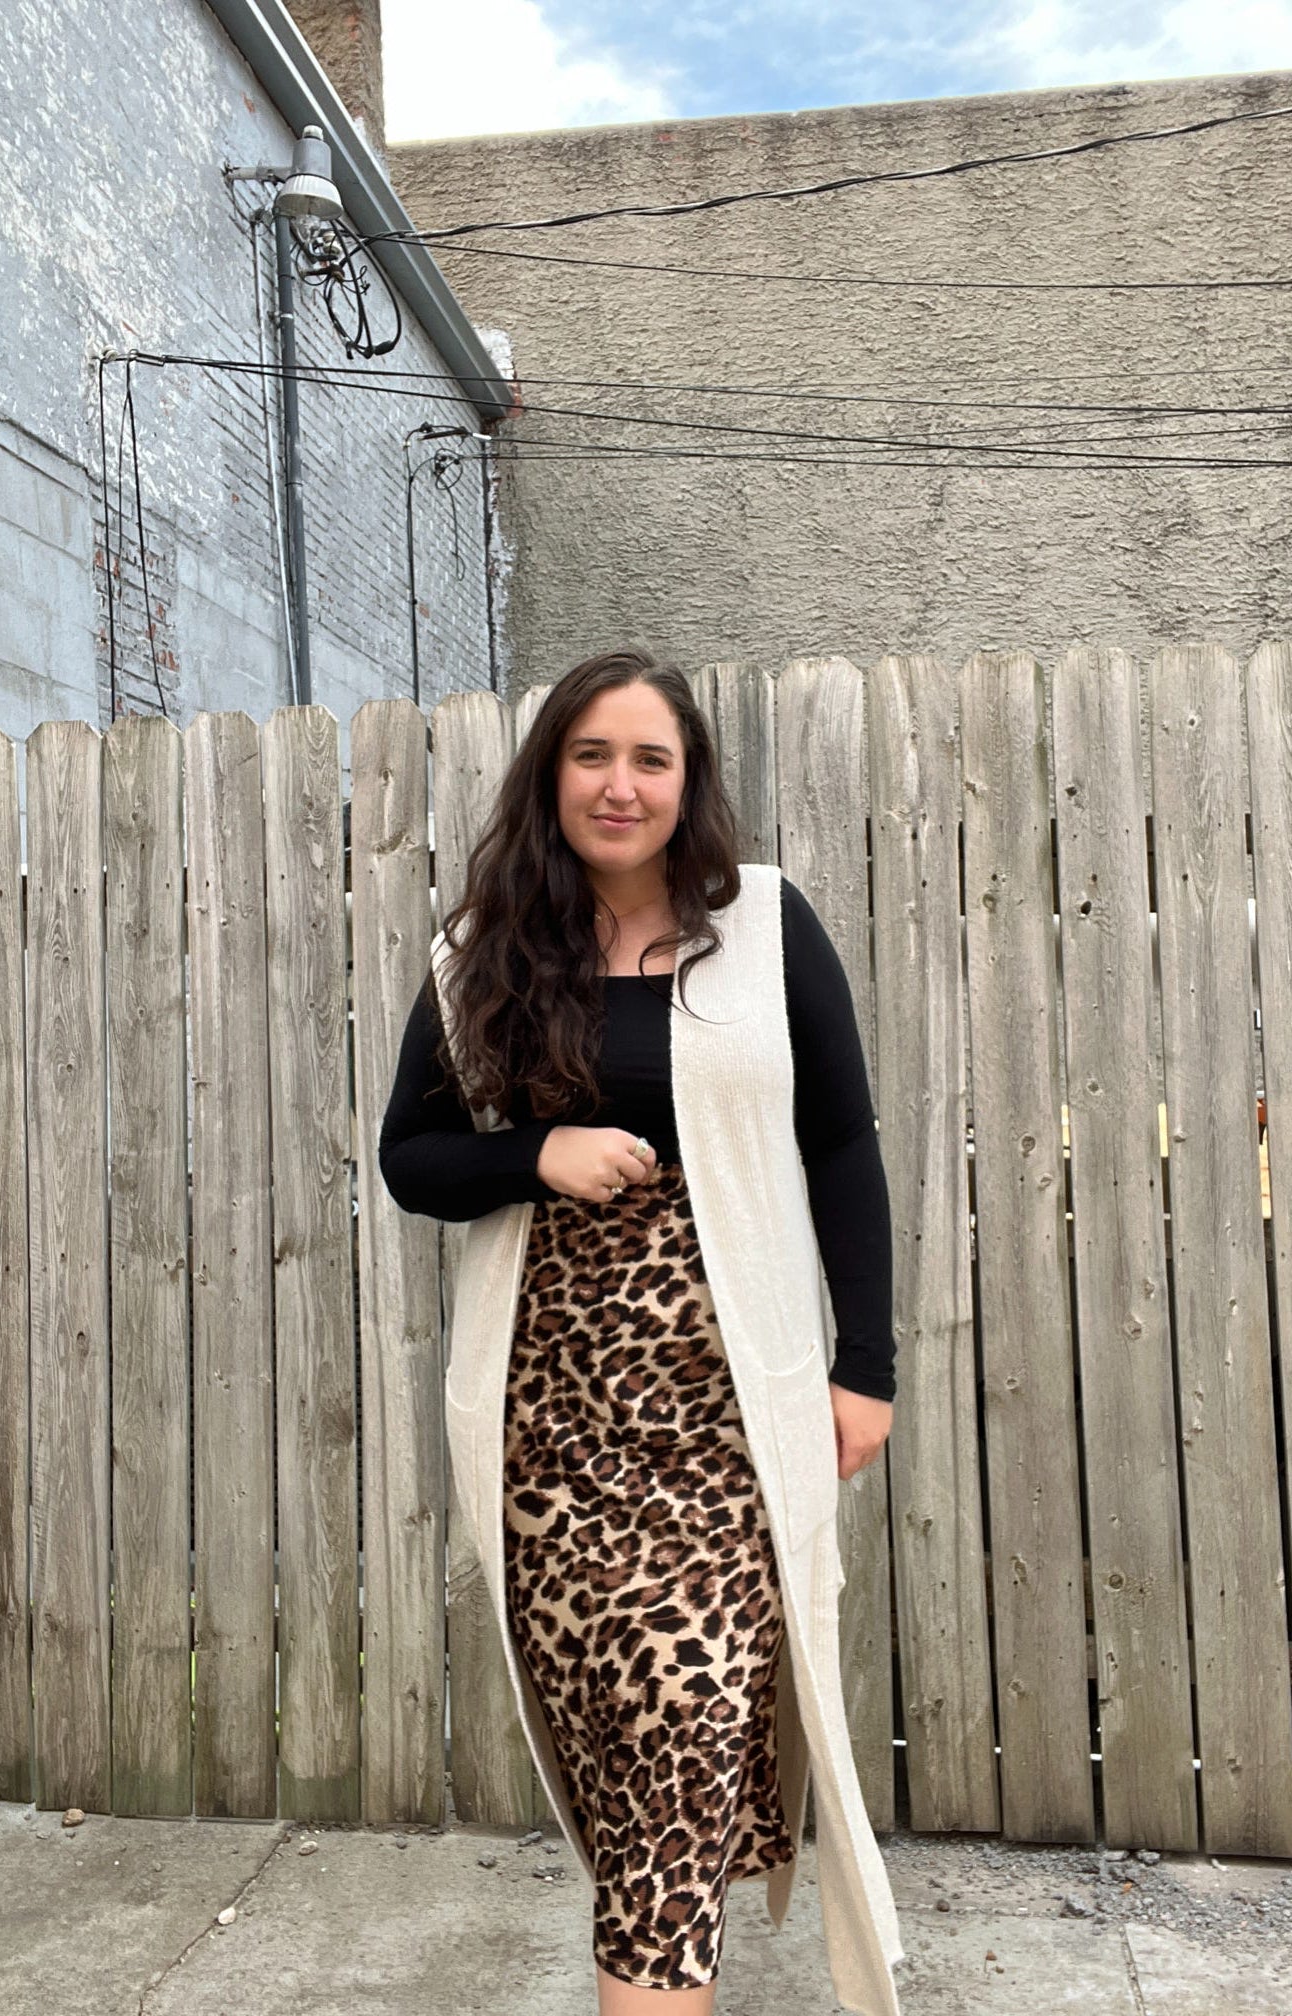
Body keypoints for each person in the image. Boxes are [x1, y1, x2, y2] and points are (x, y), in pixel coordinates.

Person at [379, 647, 900, 2016]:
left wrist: (868, 1367)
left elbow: (842, 1147)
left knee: (686, 1729)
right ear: (553, 774)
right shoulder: (479, 954)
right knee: (621, 1766)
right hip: (549, 1430)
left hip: (729, 1421)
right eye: (593, 755)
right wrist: (536, 1154)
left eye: (651, 759)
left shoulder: (769, 927)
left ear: (690, 782)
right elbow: (413, 1159)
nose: (622, 785)